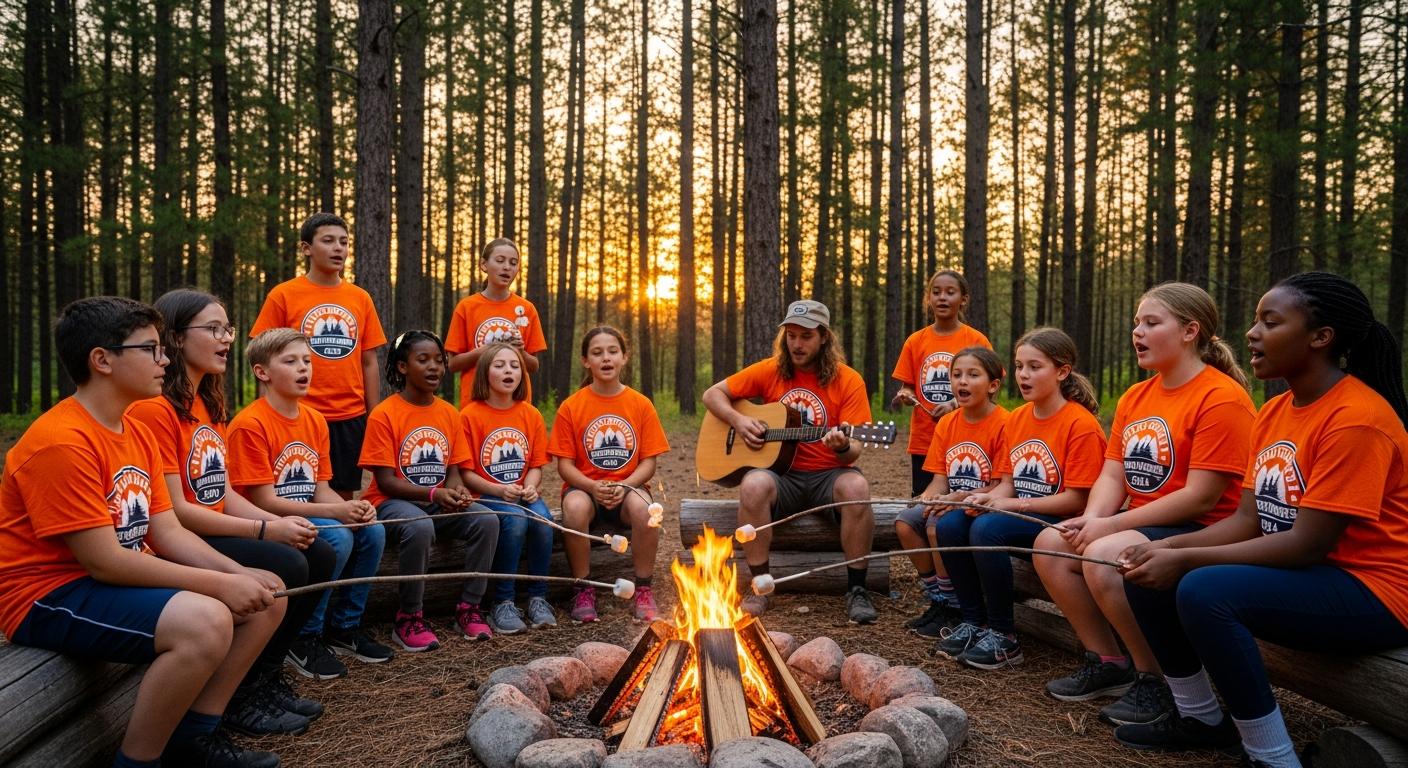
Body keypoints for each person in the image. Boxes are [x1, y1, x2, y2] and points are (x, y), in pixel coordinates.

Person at [1113, 272, 1408, 768]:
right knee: (1144, 570)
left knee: (1204, 590)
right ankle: (1201, 718)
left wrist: (1185, 557)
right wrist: (1161, 550)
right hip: (1315, 574)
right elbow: (1250, 519)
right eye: (1255, 322)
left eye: (1270, 323)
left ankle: (1272, 757)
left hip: (1375, 588)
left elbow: (1306, 545)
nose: (1251, 334)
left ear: (1321, 337)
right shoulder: (1274, 411)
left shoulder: (1356, 417)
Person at [0, 296, 284, 768]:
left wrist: (242, 575)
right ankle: (137, 762)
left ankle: (192, 741)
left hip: (101, 580)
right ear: (102, 360)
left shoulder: (135, 431)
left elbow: (168, 532)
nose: (165, 359)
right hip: (45, 594)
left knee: (269, 596)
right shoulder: (61, 443)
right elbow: (104, 560)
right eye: (150, 349)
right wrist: (221, 585)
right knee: (206, 621)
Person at [1032, 283, 1255, 727]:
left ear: (1191, 331)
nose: (1138, 331)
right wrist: (1094, 518)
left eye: (1152, 323)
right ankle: (1111, 662)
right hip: (1146, 521)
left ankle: (1158, 681)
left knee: (1103, 555)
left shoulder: (1220, 397)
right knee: (1049, 544)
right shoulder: (1136, 396)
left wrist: (1111, 528)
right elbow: (1113, 473)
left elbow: (1201, 496)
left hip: (1204, 530)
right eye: (1137, 322)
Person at [129, 289, 335, 736]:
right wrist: (264, 530)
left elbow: (219, 493)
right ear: (176, 339)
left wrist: (275, 524)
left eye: (228, 328)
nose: (226, 339)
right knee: (288, 562)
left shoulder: (209, 404)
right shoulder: (154, 410)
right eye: (214, 329)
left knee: (318, 553)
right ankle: (238, 696)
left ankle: (263, 677)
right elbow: (177, 512)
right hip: (175, 539)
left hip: (210, 525)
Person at [933, 327, 1106, 669]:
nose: (1023, 375)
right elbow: (1008, 485)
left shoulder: (1079, 424)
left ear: (1062, 372)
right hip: (1022, 514)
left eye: (1034, 367)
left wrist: (1013, 505)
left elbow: (1075, 499)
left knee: (986, 529)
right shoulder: (1020, 418)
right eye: (1019, 366)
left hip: (1063, 521)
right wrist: (977, 498)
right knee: (952, 523)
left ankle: (1004, 637)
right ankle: (974, 623)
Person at [227, 328, 392, 679]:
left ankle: (345, 627)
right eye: (290, 361)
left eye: (307, 361)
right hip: (264, 524)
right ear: (262, 372)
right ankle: (303, 636)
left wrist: (355, 509)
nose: (304, 369)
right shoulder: (250, 424)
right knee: (338, 536)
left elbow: (321, 489)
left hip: (308, 513)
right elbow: (265, 501)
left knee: (371, 531)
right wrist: (336, 513)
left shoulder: (315, 420)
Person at [701, 300, 877, 625]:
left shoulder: (848, 381)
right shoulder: (771, 369)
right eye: (791, 335)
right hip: (781, 475)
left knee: (858, 485)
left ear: (824, 337)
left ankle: (857, 589)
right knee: (753, 485)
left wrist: (841, 447)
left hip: (830, 474)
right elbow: (712, 395)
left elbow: (854, 452)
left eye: (806, 336)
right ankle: (761, 587)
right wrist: (739, 421)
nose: (797, 344)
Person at [359, 331, 499, 648]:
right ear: (402, 367)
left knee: (487, 519)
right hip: (391, 503)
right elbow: (385, 482)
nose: (434, 367)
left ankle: (469, 607)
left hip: (435, 503)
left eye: (438, 360)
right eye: (423, 360)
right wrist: (435, 495)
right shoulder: (384, 414)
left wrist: (457, 493)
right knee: (419, 526)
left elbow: (453, 472)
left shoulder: (448, 413)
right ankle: (409, 616)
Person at [250, 213, 388, 500]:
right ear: (306, 248)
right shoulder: (284, 295)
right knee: (292, 495)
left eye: (344, 242)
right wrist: (266, 410)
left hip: (349, 416)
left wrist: (371, 415)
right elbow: (262, 357)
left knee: (341, 498)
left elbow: (368, 360)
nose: (339, 248)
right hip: (295, 414)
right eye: (328, 241)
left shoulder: (360, 298)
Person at [549, 327, 670, 623]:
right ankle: (584, 588)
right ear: (585, 361)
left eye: (613, 351)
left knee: (646, 511)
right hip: (585, 488)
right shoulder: (571, 406)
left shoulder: (640, 404)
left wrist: (625, 485)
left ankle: (643, 589)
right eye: (597, 352)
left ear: (624, 357)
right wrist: (592, 486)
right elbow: (564, 466)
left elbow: (648, 463)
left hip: (629, 487)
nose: (606, 358)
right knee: (574, 508)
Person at [895, 346, 1008, 638]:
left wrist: (954, 501)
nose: (962, 382)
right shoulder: (946, 423)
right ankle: (941, 600)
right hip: (951, 501)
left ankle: (956, 608)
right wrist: (927, 499)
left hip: (982, 504)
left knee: (936, 525)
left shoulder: (1004, 424)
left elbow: (1000, 485)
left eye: (973, 375)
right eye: (956, 375)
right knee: (906, 522)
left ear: (993, 385)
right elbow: (939, 480)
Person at [459, 342, 556, 634]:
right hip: (487, 495)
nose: (508, 371)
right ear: (484, 373)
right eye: (499, 365)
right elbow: (465, 473)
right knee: (514, 522)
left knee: (543, 520)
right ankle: (503, 600)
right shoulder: (470, 416)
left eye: (514, 366)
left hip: (521, 493)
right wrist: (499, 490)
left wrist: (530, 487)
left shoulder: (531, 415)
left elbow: (536, 465)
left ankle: (538, 597)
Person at [891, 270, 993, 495]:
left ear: (963, 299)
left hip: (968, 438)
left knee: (964, 502)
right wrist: (907, 395)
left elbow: (989, 389)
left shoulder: (976, 340)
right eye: (936, 292)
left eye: (950, 292)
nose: (942, 298)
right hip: (925, 440)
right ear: (929, 298)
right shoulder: (916, 341)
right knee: (922, 503)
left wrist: (954, 405)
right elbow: (908, 384)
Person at [445, 238, 548, 408]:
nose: (507, 267)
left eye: (513, 263)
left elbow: (533, 366)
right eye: (500, 261)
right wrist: (485, 351)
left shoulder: (527, 309)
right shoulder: (467, 307)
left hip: (516, 404)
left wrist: (519, 352)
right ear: (484, 265)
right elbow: (453, 364)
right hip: (475, 402)